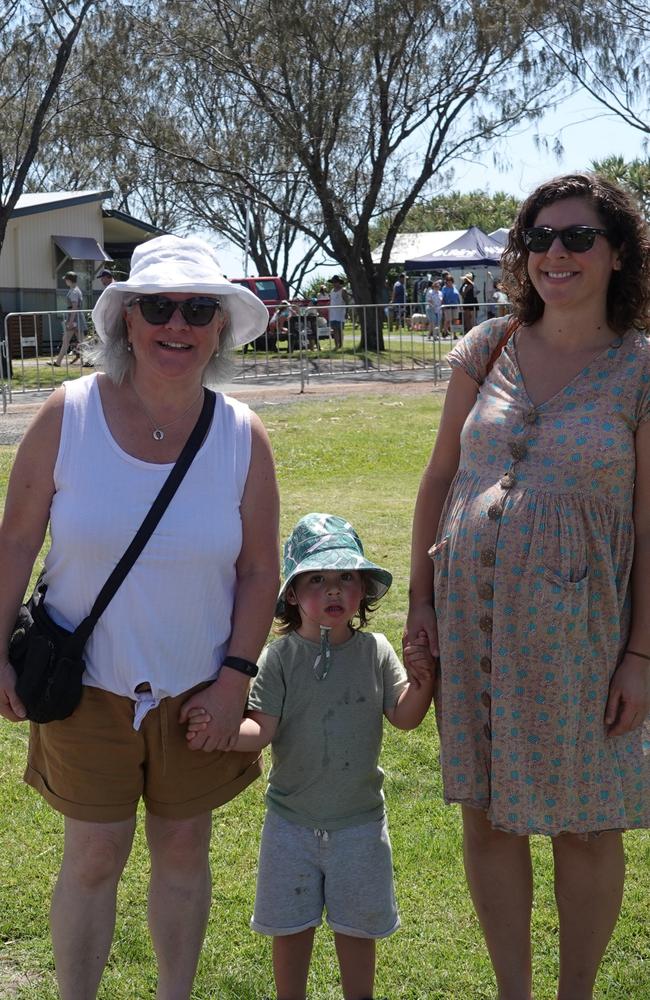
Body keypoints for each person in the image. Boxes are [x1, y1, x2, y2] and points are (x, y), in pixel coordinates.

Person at [0, 233, 280, 1000]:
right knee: (93, 856)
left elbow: (260, 570)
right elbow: (17, 539)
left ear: (220, 327)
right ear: (127, 320)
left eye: (198, 309)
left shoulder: (241, 436)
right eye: (157, 307)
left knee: (185, 850)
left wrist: (234, 680)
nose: (177, 325)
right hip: (87, 686)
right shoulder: (71, 413)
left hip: (199, 687)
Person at [406, 172, 650, 1000]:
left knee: (586, 822)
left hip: (585, 634)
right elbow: (440, 476)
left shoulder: (641, 371)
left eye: (578, 237)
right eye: (539, 238)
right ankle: (514, 990)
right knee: (486, 812)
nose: (555, 253)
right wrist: (419, 603)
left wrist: (641, 654)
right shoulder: (487, 348)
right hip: (473, 622)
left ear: (617, 253)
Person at [190, 513, 435, 1000]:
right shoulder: (279, 658)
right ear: (291, 594)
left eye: (346, 577)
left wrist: (424, 681)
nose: (334, 590)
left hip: (361, 825)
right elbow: (260, 730)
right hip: (290, 826)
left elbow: (404, 716)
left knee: (358, 930)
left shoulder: (377, 652)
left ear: (364, 589)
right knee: (290, 927)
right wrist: (219, 730)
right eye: (317, 579)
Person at [52, 271, 88, 366]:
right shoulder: (75, 290)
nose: (65, 282)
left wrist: (71, 321)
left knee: (73, 341)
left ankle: (58, 362)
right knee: (78, 341)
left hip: (75, 319)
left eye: (66, 280)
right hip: (76, 318)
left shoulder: (74, 291)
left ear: (69, 280)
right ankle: (58, 362)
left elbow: (74, 307)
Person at [328, 275, 351, 349]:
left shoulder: (343, 291)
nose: (334, 284)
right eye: (333, 282)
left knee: (340, 329)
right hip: (333, 313)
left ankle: (340, 345)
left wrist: (347, 313)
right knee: (334, 329)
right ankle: (336, 345)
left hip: (341, 313)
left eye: (336, 282)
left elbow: (347, 302)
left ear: (339, 282)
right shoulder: (331, 291)